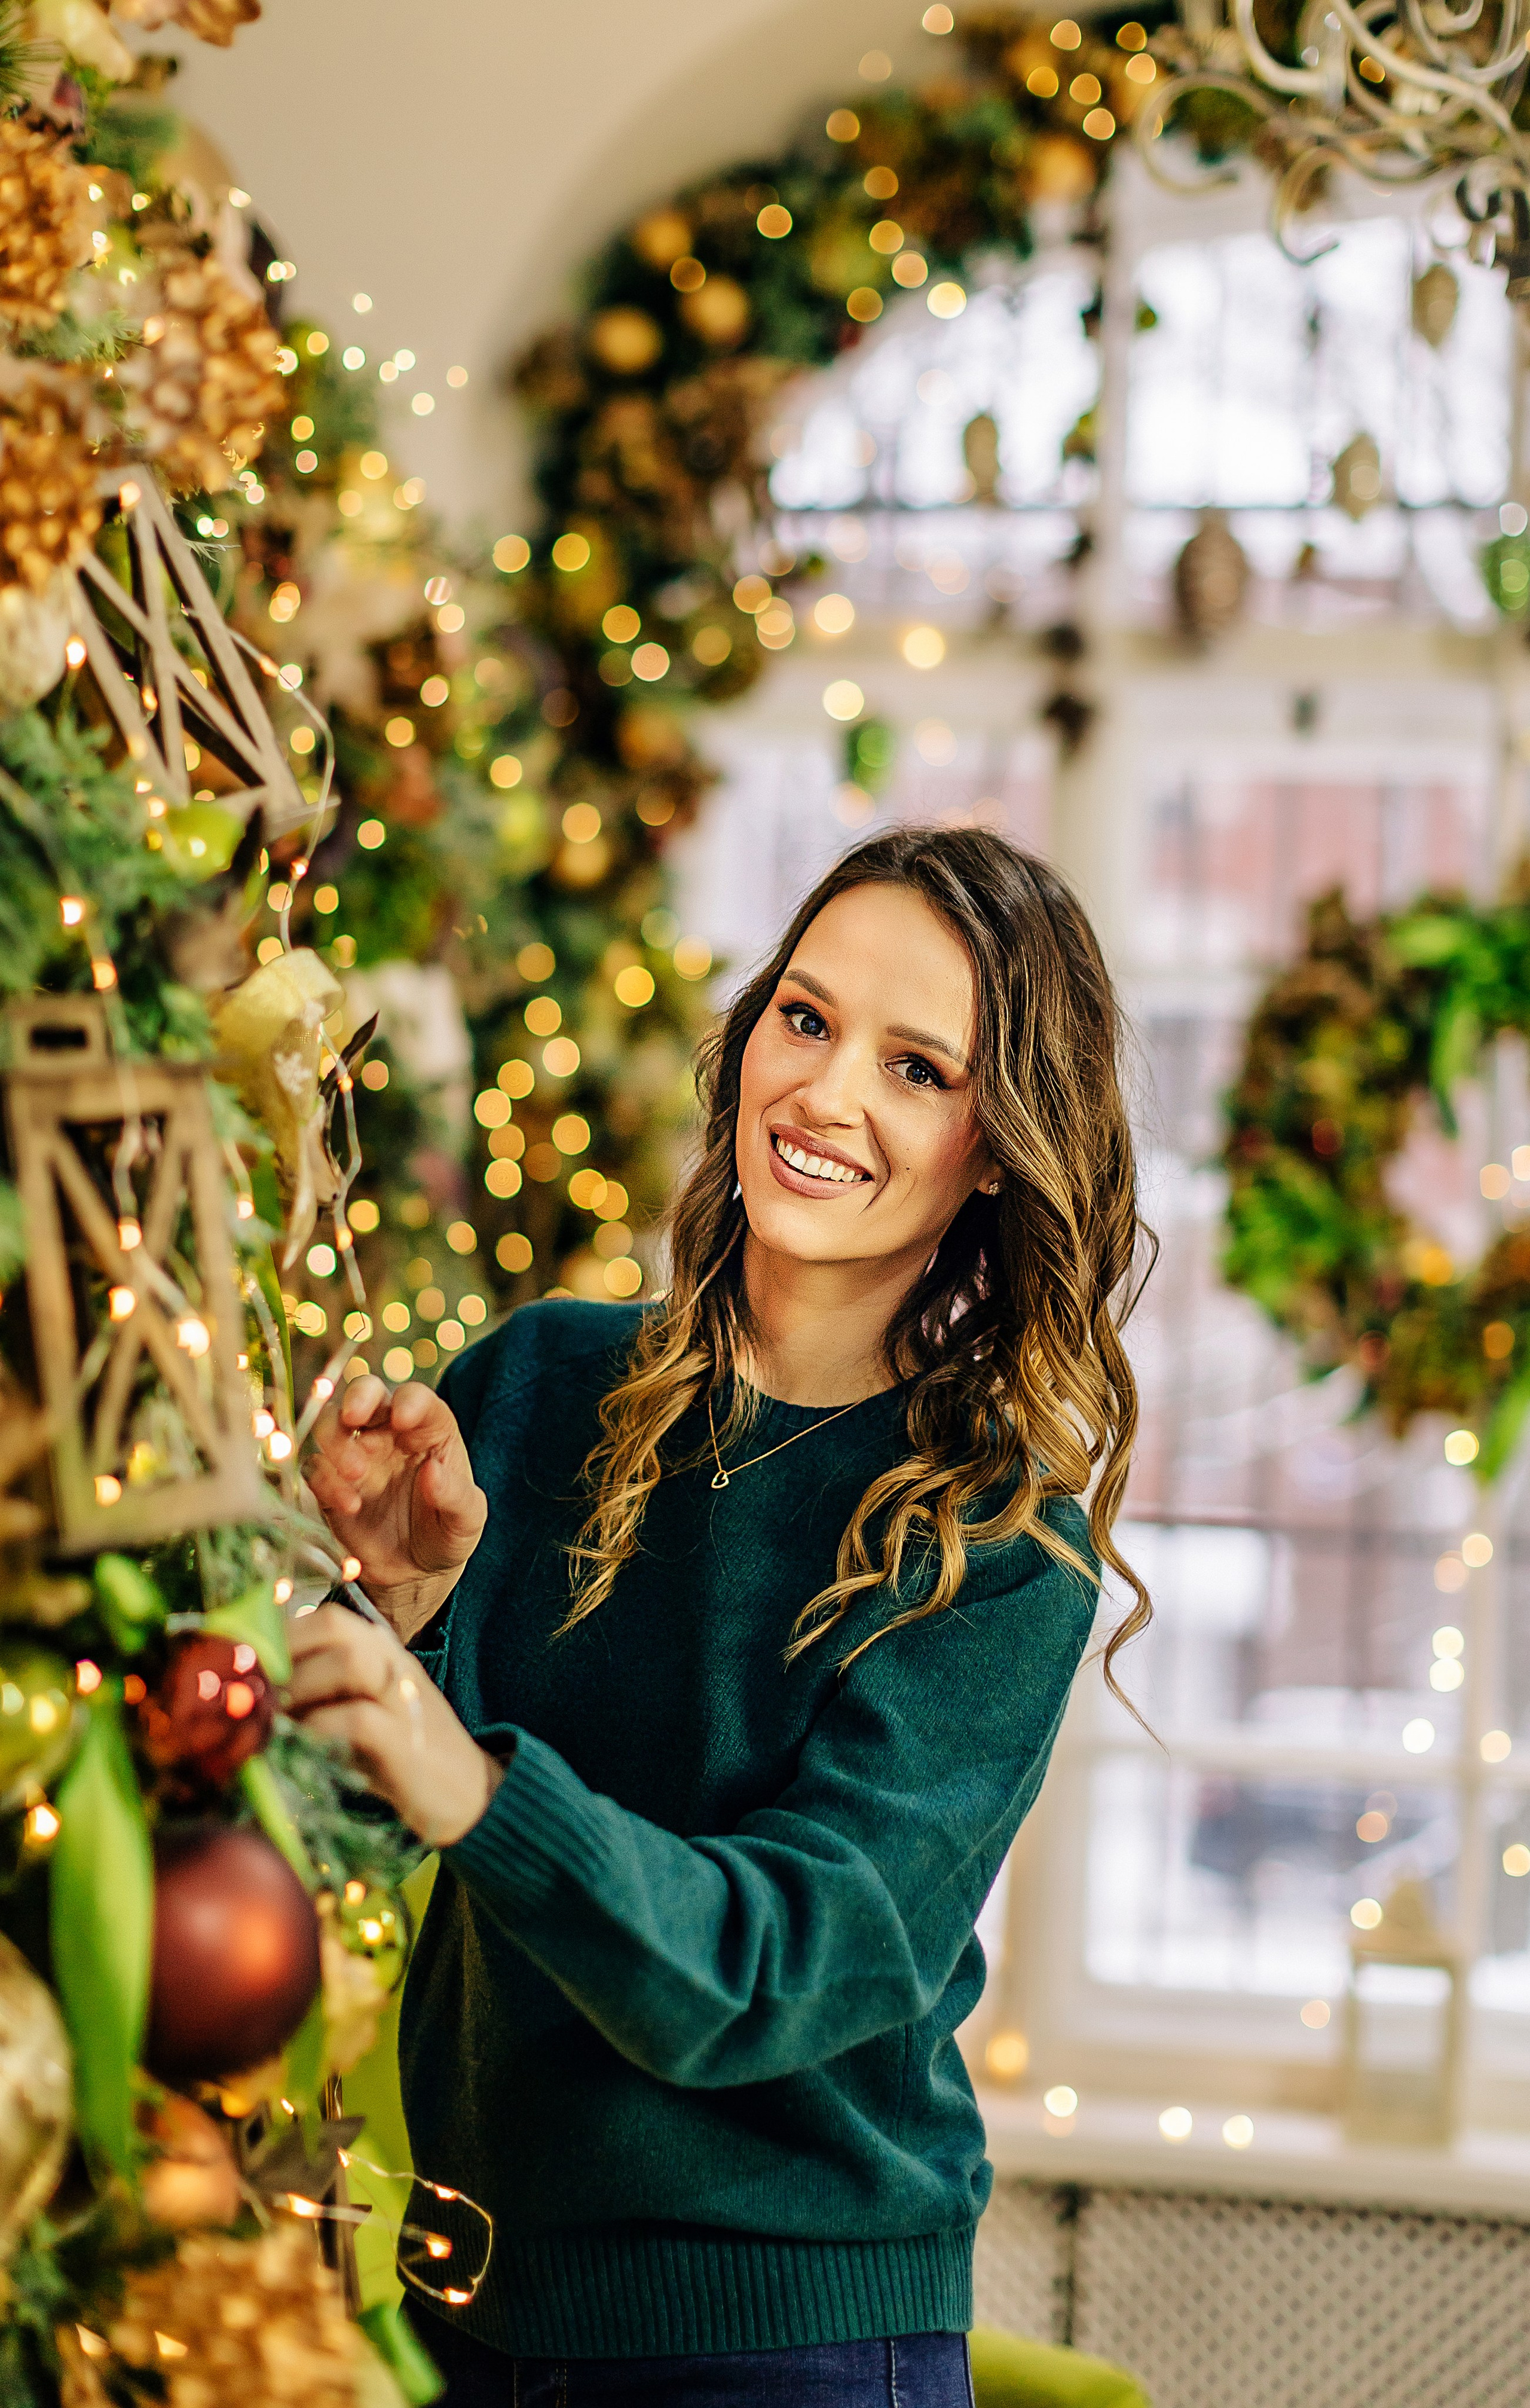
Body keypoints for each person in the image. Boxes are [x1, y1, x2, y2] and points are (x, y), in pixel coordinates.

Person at [289, 828, 1152, 2408]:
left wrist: (470, 1773)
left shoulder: (997, 1548)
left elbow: (775, 1962)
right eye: (807, 1019)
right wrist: (394, 1608)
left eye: (916, 1065)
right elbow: (349, 1832)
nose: (825, 1095)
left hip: (782, 2345)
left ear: (995, 1146)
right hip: (459, 2307)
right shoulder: (538, 1384)